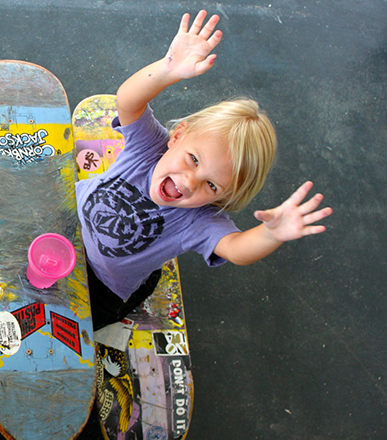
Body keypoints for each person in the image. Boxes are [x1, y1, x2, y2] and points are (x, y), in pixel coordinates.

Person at [75, 10, 333, 329]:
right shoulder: (149, 146)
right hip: (69, 220)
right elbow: (127, 102)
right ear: (178, 136)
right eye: (194, 160)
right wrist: (168, 68)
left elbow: (237, 249)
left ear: (224, 196)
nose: (190, 180)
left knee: (70, 325)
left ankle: (145, 285)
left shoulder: (198, 220)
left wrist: (271, 234)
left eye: (212, 185)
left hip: (103, 287)